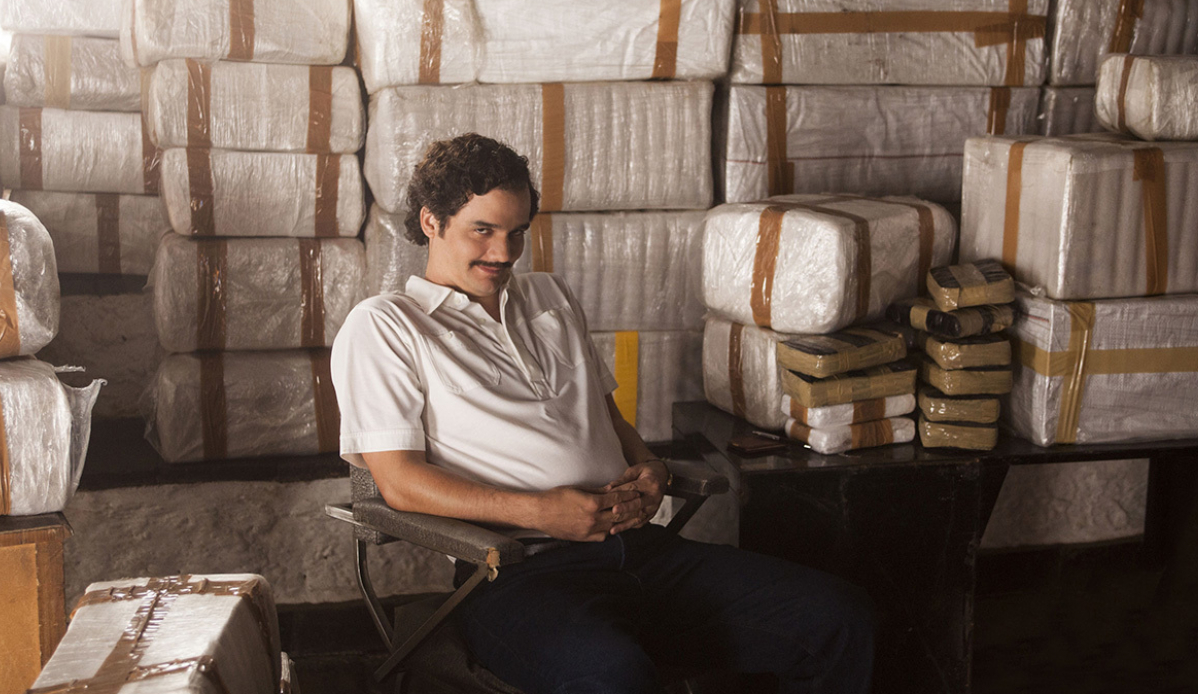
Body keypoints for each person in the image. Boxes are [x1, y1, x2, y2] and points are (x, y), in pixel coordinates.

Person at [331, 134, 875, 694]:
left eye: (517, 232)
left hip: (640, 549)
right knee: (613, 676)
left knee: (839, 618)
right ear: (431, 221)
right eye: (483, 230)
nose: (504, 252)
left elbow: (606, 417)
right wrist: (541, 513)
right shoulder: (386, 325)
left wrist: (650, 465)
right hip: (515, 572)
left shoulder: (550, 296)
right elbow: (399, 482)